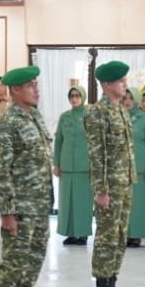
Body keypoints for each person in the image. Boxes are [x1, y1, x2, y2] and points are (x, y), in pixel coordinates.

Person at [0, 65, 53, 287]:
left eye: (36, 84)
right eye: (30, 85)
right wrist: (7, 211)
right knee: (14, 262)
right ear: (16, 90)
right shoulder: (8, 123)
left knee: (33, 259)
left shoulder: (35, 117)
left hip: (39, 204)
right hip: (20, 207)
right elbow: (2, 170)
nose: (36, 89)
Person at [86, 61, 138, 287]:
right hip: (110, 186)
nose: (124, 84)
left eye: (125, 80)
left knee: (119, 237)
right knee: (106, 237)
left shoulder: (121, 110)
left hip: (124, 183)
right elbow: (98, 155)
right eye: (120, 81)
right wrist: (101, 190)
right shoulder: (98, 112)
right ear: (107, 85)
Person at [52, 86, 92, 245]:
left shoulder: (90, 115)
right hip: (67, 165)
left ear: (83, 96)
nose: (74, 99)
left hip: (85, 166)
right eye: (71, 96)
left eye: (77, 95)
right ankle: (70, 233)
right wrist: (56, 163)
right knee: (67, 201)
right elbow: (59, 141)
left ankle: (82, 234)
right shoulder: (64, 117)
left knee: (82, 201)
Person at [124, 88, 145, 248]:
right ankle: (124, 233)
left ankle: (136, 235)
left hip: (141, 167)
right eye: (125, 97)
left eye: (131, 98)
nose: (128, 101)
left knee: (138, 203)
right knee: (124, 202)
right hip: (122, 167)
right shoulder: (118, 117)